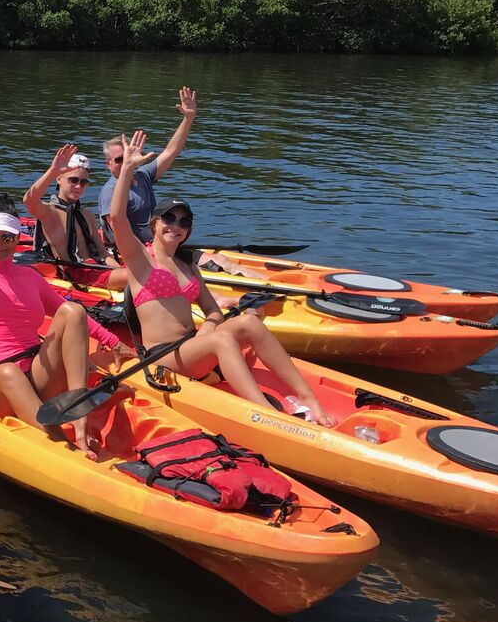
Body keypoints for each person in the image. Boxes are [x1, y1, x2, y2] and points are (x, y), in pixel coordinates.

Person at [107, 131, 334, 426]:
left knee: (249, 322)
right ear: (154, 224)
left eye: (184, 222)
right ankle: (265, 414)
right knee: (224, 340)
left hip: (194, 345)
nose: (176, 226)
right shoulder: (140, 259)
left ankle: (309, 398)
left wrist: (209, 327)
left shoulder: (188, 264)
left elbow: (211, 310)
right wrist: (126, 170)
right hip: (163, 356)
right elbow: (116, 218)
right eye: (169, 219)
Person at [0, 152, 126, 458]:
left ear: (15, 238)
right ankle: (63, 448)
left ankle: (77, 410)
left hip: (35, 374)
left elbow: (72, 315)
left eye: (7, 238)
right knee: (8, 371)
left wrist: (113, 341)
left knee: (73, 310)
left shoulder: (29, 276)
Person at [98, 87, 198, 245]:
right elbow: (118, 231)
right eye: (119, 160)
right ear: (108, 164)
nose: (125, 163)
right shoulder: (111, 191)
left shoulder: (143, 175)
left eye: (128, 157)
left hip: (158, 244)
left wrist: (188, 119)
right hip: (139, 253)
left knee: (220, 261)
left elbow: (171, 152)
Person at [23, 145, 116, 266]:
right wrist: (53, 171)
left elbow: (103, 253)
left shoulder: (87, 214)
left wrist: (120, 271)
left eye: (83, 182)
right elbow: (29, 200)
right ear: (59, 178)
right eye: (73, 180)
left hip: (95, 269)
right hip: (73, 274)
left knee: (137, 273)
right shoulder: (49, 212)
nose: (78, 186)